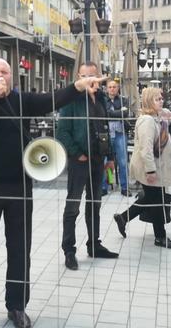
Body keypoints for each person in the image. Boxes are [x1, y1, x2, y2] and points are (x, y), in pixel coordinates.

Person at [0, 58, 103, 328]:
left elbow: (52, 99)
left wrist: (78, 84)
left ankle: (17, 306)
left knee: (19, 249)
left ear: (13, 76)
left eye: (5, 71)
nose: (0, 75)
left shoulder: (21, 100)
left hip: (19, 185)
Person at [57, 62, 119, 272]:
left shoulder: (101, 98)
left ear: (99, 77)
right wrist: (77, 154)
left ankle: (94, 244)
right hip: (79, 161)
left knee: (95, 204)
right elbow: (62, 132)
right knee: (72, 206)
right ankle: (69, 250)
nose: (89, 80)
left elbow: (105, 128)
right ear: (78, 77)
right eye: (84, 76)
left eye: (92, 76)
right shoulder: (71, 100)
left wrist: (110, 155)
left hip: (98, 160)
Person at [113, 88, 171, 250]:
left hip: (155, 166)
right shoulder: (147, 121)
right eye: (157, 99)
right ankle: (160, 237)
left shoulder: (156, 117)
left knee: (152, 199)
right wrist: (151, 171)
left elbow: (167, 119)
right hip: (148, 168)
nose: (161, 101)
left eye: (161, 98)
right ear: (150, 101)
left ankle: (123, 218)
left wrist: (164, 112)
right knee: (157, 201)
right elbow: (146, 149)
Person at [101, 79, 132, 196]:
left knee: (123, 161)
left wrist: (112, 113)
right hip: (106, 135)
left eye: (114, 87)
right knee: (106, 161)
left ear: (118, 88)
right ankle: (105, 186)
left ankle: (124, 187)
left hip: (120, 134)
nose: (112, 89)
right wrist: (118, 112)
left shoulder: (124, 100)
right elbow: (105, 113)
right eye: (110, 87)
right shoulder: (103, 100)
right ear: (106, 88)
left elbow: (125, 114)